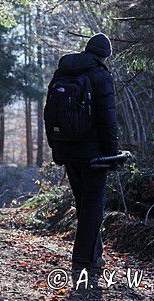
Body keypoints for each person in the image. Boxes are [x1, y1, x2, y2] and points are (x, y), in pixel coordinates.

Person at [46, 33, 119, 270]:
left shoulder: (63, 73)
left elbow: (49, 113)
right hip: (93, 153)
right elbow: (107, 120)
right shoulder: (100, 76)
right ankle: (83, 258)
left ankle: (94, 255)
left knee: (83, 203)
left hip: (68, 149)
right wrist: (113, 154)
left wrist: (56, 148)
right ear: (105, 55)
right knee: (93, 205)